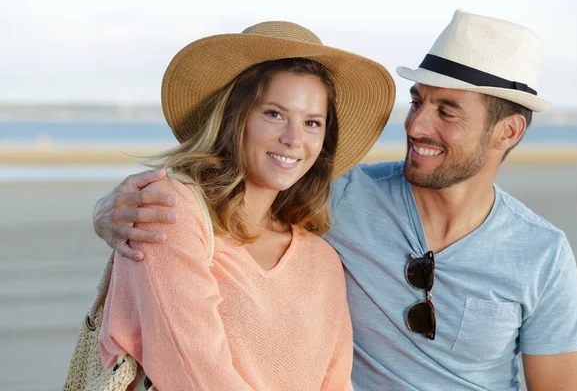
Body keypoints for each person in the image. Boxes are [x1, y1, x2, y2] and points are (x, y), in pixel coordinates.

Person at [93, 11, 577, 390]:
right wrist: (110, 210)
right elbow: (229, 189)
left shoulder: (542, 254)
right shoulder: (340, 194)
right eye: (416, 101)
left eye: (447, 111)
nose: (415, 126)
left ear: (508, 130)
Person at [96, 21, 396, 390]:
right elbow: (194, 372)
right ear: (235, 117)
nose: (293, 139)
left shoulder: (322, 261)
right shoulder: (173, 213)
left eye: (312, 122)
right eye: (274, 114)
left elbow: (335, 384)